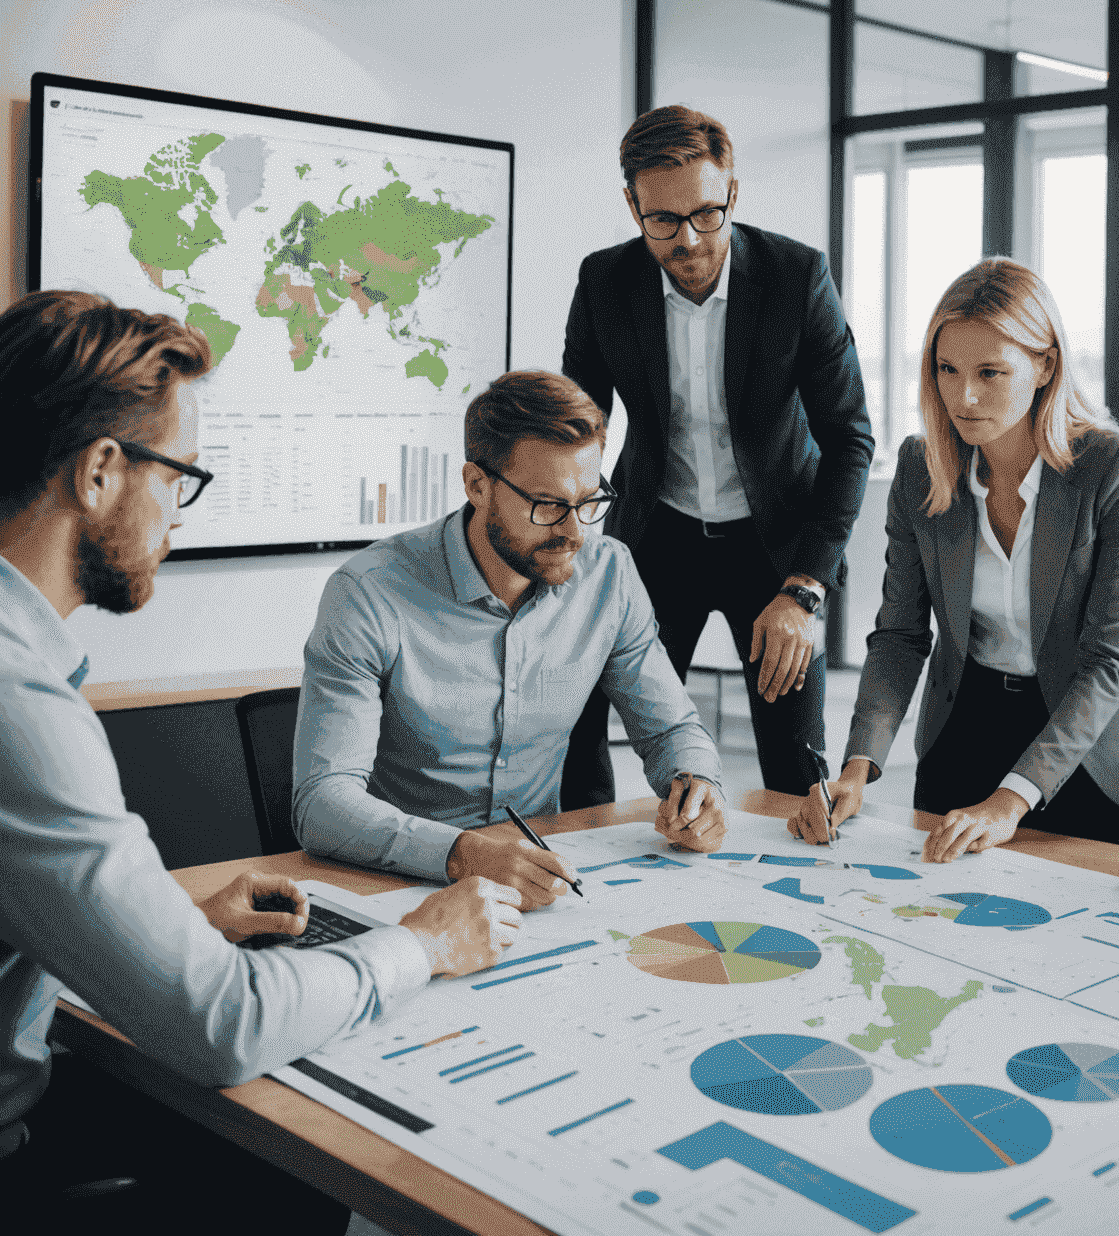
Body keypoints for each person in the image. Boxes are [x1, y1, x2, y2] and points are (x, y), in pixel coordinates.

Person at [0, 292, 520, 1232]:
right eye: (180, 476)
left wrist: (171, 922)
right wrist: (425, 944)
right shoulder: (18, 701)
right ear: (101, 472)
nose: (182, 513)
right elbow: (222, 1024)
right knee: (299, 1178)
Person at [292, 368, 728, 905]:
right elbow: (322, 804)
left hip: (538, 878)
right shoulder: (367, 594)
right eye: (547, 505)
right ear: (478, 486)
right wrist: (465, 853)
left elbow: (671, 729)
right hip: (399, 887)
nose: (574, 533)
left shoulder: (608, 575)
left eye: (588, 502)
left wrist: (696, 784)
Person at [790, 259, 1119, 859]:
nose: (963, 396)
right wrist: (855, 770)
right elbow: (899, 635)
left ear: (1045, 365)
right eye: (947, 369)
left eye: (990, 372)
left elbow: (1108, 660)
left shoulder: (1113, 466)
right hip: (965, 719)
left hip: (1087, 736)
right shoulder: (922, 466)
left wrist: (1009, 802)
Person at [561, 105, 873, 800]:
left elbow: (851, 440)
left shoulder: (797, 278)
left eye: (707, 213)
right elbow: (572, 430)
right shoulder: (605, 282)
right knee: (580, 713)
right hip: (658, 534)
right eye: (663, 221)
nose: (690, 240)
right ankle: (582, 877)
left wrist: (806, 587)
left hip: (775, 554)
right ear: (632, 204)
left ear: (732, 192)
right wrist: (562, 543)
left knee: (796, 767)